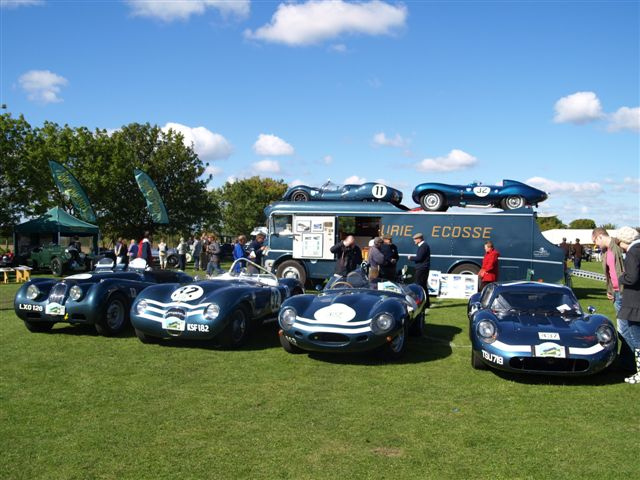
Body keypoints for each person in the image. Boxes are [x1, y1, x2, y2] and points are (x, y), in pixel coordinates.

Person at [592, 227, 629, 365]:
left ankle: (627, 362)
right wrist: (610, 290)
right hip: (616, 293)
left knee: (625, 329)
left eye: (595, 241)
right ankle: (625, 360)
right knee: (623, 328)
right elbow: (610, 274)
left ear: (600, 237)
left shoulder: (618, 248)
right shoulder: (606, 252)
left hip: (624, 292)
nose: (596, 245)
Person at [616, 226, 640, 384]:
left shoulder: (632, 252)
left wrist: (621, 278)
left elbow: (632, 277)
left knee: (635, 338)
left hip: (634, 301)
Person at [409, 232, 430, 307]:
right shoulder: (424, 246)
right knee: (423, 286)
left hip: (422, 268)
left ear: (419, 239)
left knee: (419, 285)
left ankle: (421, 302)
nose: (414, 241)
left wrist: (411, 258)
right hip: (423, 268)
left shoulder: (423, 246)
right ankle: (426, 303)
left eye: (415, 239)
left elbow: (419, 258)